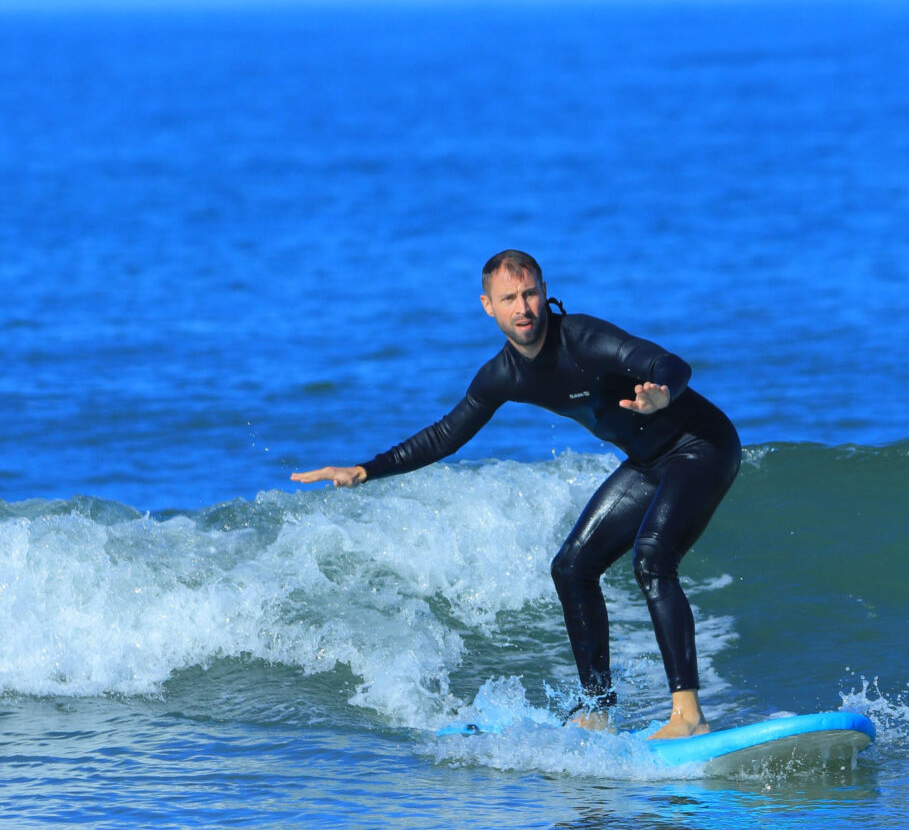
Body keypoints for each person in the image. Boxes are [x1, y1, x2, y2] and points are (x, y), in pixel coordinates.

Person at [292, 250, 740, 739]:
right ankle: (598, 710)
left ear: (544, 291)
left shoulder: (583, 339)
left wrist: (663, 393)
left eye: (529, 294)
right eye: (509, 298)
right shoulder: (503, 375)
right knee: (571, 568)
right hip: (648, 462)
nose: (522, 307)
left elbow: (667, 362)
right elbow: (445, 434)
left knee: (652, 559)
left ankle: (688, 716)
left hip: (703, 446)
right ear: (489, 306)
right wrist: (365, 470)